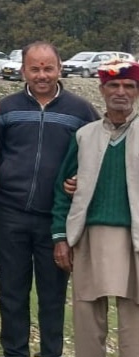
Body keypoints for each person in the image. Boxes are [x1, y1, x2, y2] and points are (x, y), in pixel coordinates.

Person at [0, 42, 98, 357]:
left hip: (56, 221)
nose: (41, 75)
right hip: (10, 214)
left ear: (60, 68)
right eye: (34, 68)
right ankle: (15, 351)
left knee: (53, 295)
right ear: (24, 69)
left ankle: (51, 352)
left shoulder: (81, 111)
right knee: (11, 292)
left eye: (48, 68)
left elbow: (97, 154)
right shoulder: (6, 108)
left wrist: (83, 180)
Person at [52, 59, 139, 357]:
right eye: (114, 85)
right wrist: (60, 236)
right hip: (89, 234)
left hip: (134, 238)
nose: (121, 92)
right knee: (87, 312)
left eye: (129, 86)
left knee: (134, 317)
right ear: (101, 90)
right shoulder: (85, 135)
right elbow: (62, 188)